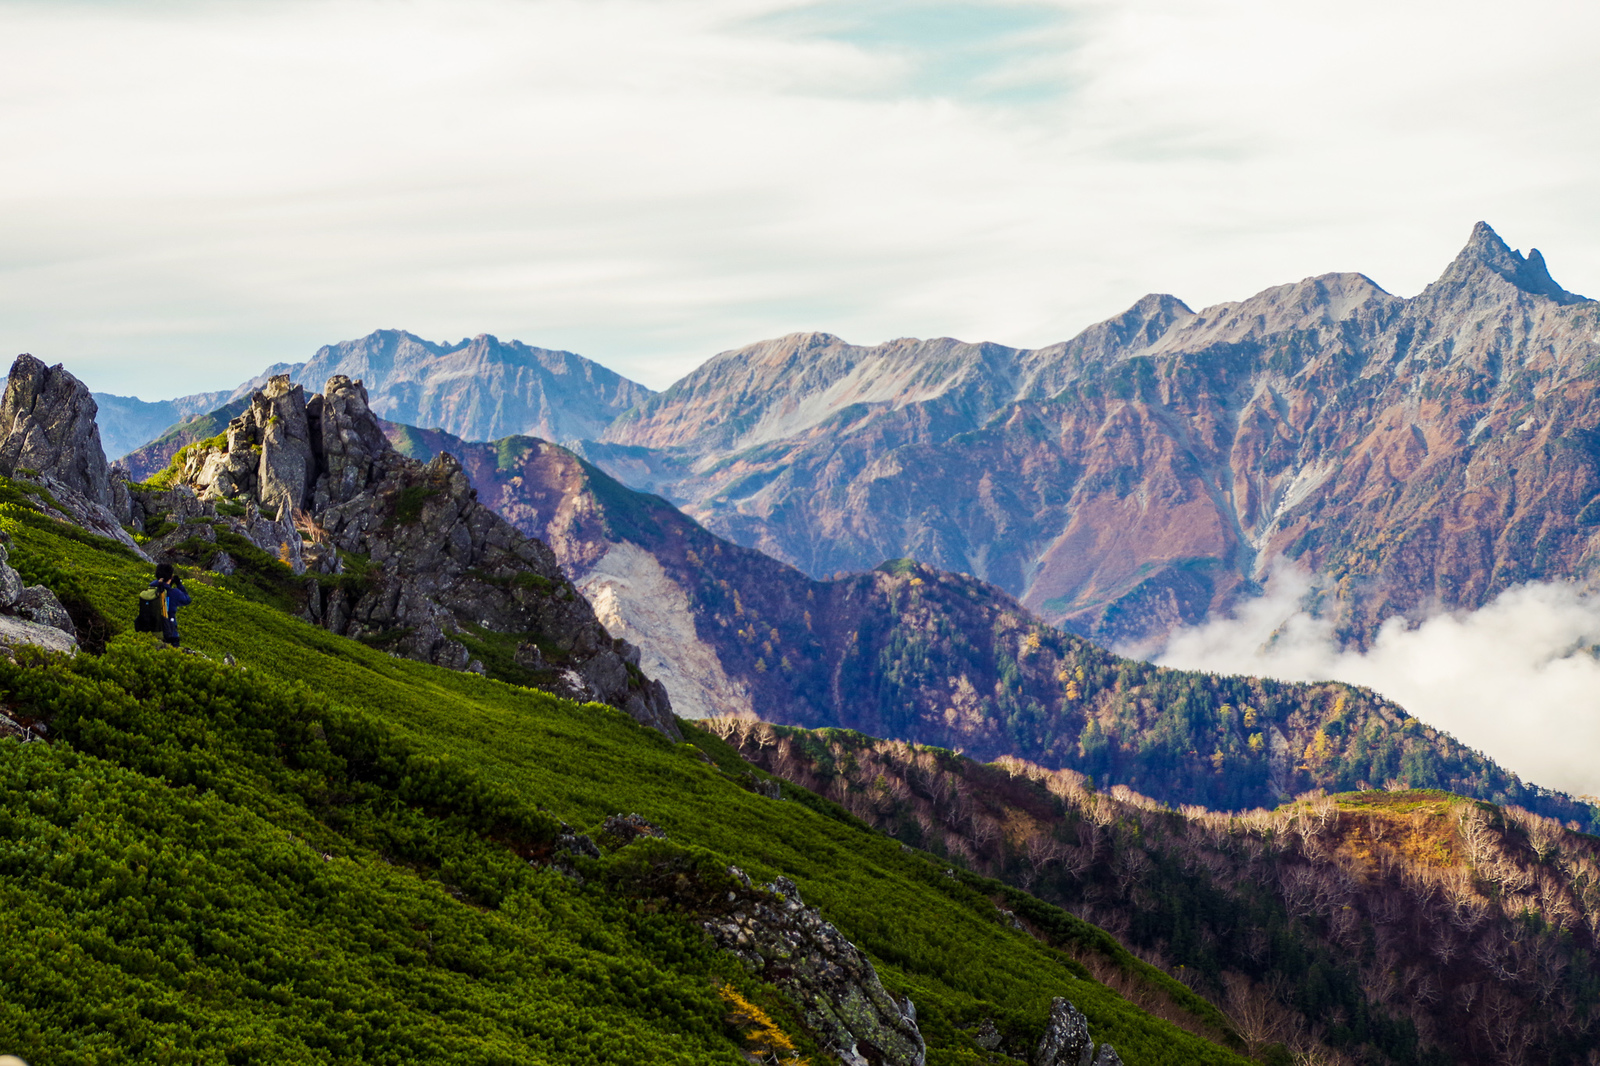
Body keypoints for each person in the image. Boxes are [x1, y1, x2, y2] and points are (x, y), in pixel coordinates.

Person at [150, 562, 192, 647]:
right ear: (170, 577)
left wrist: (167, 584)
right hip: (169, 633)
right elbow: (187, 600)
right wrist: (179, 584)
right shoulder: (174, 593)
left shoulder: (150, 588)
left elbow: (161, 586)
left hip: (151, 629)